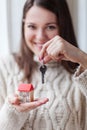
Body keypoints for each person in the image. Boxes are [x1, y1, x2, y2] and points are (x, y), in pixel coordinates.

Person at [0, 0, 87, 129]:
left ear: (63, 27)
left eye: (50, 27)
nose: (40, 37)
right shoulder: (6, 66)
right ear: (23, 25)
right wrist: (14, 112)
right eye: (32, 26)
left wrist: (82, 58)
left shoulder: (82, 70)